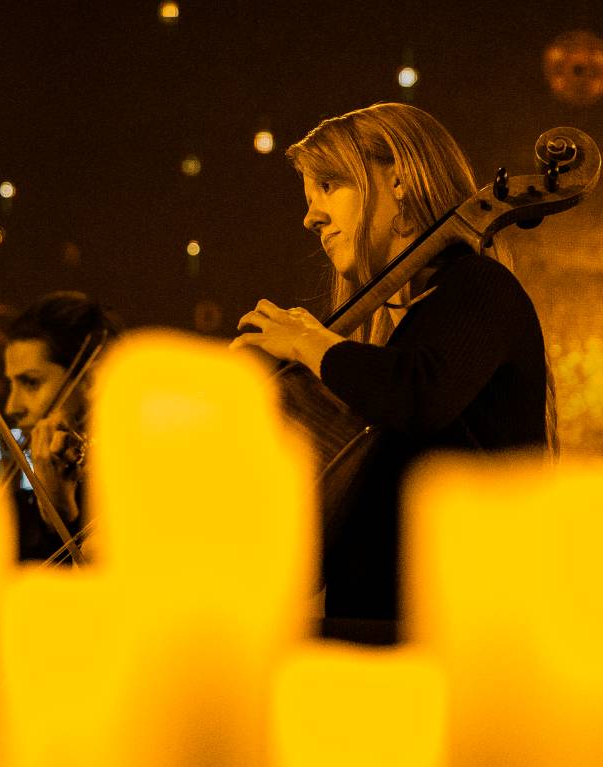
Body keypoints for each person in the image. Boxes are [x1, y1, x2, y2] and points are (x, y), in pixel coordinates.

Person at [232, 102, 554, 643]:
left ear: (398, 180)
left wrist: (311, 341)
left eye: (329, 186)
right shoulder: (399, 339)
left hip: (454, 644)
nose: (311, 218)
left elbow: (420, 393)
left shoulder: (479, 287)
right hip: (383, 641)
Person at [0, 291, 121, 563]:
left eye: (31, 383)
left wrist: (63, 519)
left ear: (90, 381)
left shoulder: (139, 494)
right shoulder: (18, 511)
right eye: (11, 384)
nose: (12, 406)